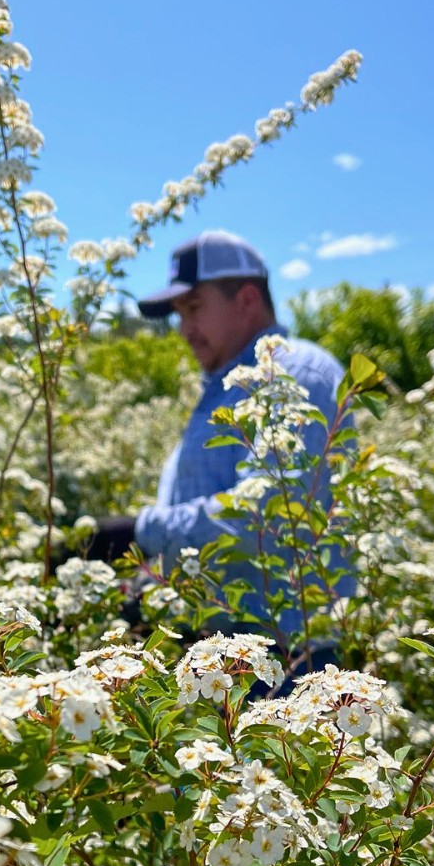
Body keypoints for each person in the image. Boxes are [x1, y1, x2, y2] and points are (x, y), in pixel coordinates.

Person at [86, 229, 355, 670]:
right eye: (178, 314)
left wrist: (139, 532)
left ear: (247, 300)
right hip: (222, 650)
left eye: (193, 309)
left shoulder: (289, 373)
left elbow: (264, 515)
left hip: (285, 662)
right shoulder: (227, 386)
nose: (184, 329)